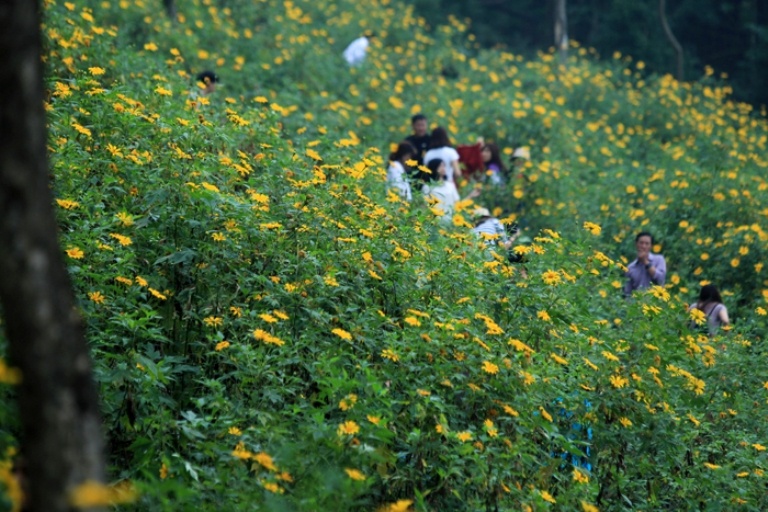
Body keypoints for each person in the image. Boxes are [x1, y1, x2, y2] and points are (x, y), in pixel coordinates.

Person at [422, 159, 479, 224]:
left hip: (451, 222)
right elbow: (424, 207)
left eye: (444, 166)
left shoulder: (449, 185)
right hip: (435, 223)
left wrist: (470, 196)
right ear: (433, 168)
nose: (443, 168)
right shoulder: (428, 187)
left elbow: (457, 204)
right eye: (440, 166)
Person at [623, 232, 667, 297]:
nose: (643, 246)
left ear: (651, 246)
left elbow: (661, 279)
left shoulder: (659, 259)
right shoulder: (630, 268)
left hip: (655, 303)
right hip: (637, 304)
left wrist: (645, 262)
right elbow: (627, 293)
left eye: (647, 244)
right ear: (636, 244)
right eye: (641, 243)